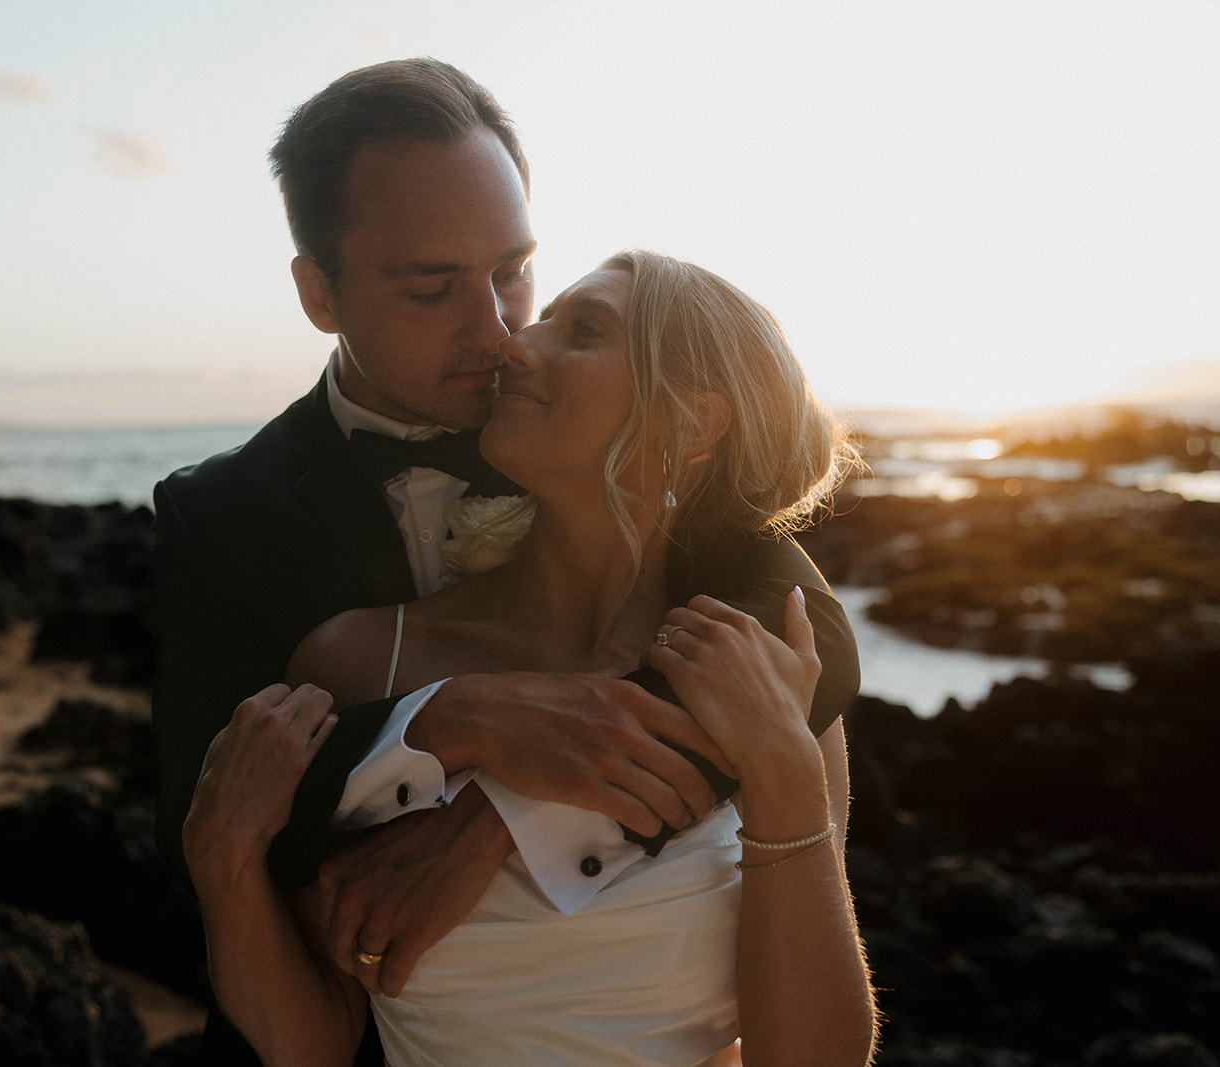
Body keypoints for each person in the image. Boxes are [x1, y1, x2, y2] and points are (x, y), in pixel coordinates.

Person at [150, 58, 860, 1060]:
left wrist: (512, 811)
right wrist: (450, 723)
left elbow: (812, 629)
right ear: (320, 292)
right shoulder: (229, 521)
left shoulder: (594, 462)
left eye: (515, 272)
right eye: (433, 286)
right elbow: (217, 806)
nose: (501, 335)